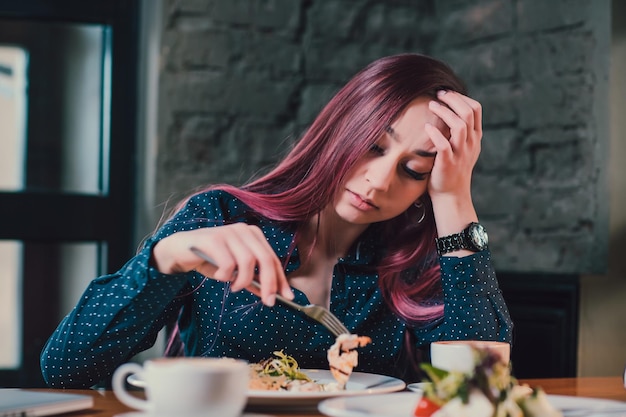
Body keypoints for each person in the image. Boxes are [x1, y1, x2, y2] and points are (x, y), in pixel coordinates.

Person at [40, 53, 513, 388]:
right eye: (373, 146)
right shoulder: (220, 217)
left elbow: (481, 389)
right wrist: (165, 258)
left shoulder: (421, 263)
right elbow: (64, 369)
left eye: (415, 170)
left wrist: (454, 196)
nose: (379, 180)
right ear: (340, 131)